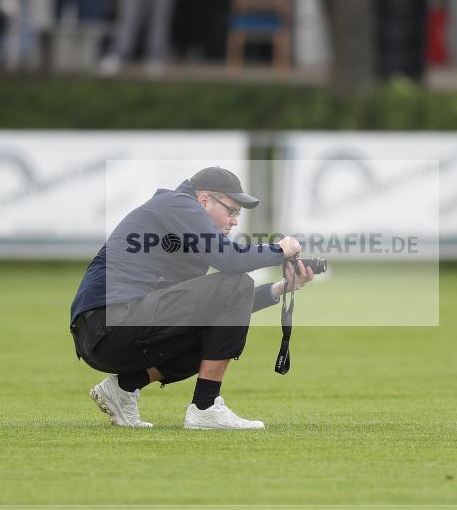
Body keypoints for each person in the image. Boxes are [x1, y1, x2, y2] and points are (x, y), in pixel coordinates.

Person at [70, 167, 313, 430]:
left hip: (105, 335)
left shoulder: (181, 223)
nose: (234, 221)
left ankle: (123, 388)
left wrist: (279, 288)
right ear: (205, 200)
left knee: (212, 325)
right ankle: (206, 407)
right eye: (231, 211)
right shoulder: (180, 203)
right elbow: (232, 261)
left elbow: (223, 307)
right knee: (237, 282)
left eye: (238, 215)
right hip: (108, 325)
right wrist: (279, 249)